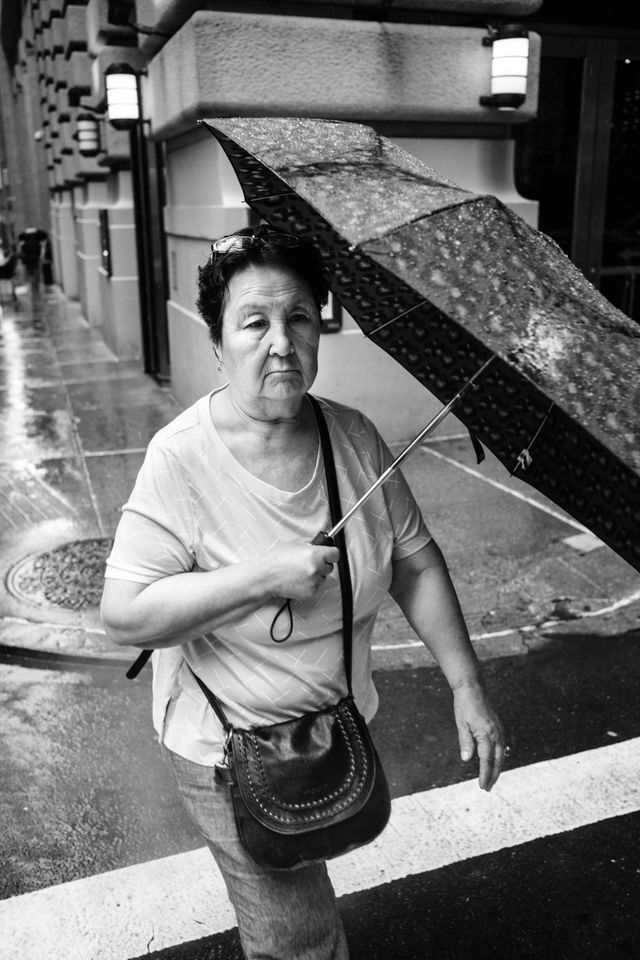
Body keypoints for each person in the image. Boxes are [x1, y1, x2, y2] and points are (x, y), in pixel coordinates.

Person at [100, 225, 507, 960]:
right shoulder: (180, 459)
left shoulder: (353, 438)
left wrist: (466, 683)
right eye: (253, 323)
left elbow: (414, 562)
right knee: (300, 940)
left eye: (298, 318)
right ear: (216, 344)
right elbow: (126, 614)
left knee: (302, 878)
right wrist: (264, 575)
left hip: (329, 729)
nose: (280, 343)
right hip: (228, 751)